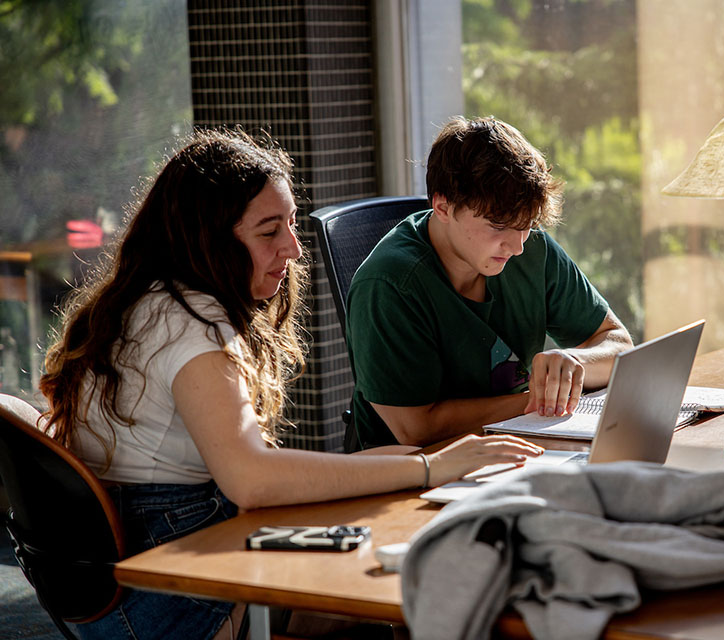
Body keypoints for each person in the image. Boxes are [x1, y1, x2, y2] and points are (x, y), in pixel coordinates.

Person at [39, 128, 542, 640]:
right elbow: (253, 481)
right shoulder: (188, 327)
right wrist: (429, 466)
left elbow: (257, 476)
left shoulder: (152, 303)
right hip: (161, 600)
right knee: (397, 585)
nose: (295, 248)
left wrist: (424, 463)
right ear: (208, 236)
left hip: (143, 566)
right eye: (268, 231)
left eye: (293, 225)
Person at [345, 116, 633, 452]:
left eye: (526, 225)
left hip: (518, 444)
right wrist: (541, 399)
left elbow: (619, 344)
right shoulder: (388, 285)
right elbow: (416, 428)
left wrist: (575, 363)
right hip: (412, 473)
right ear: (442, 207)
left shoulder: (532, 251)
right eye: (498, 226)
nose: (517, 247)